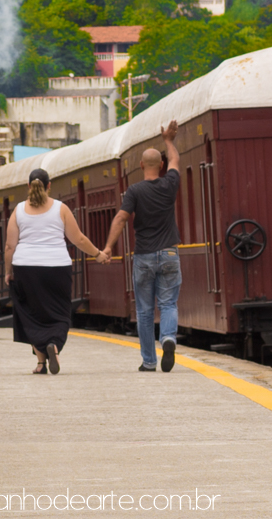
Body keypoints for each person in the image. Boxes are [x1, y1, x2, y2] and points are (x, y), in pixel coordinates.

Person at [5, 168, 110, 375]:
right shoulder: (61, 208)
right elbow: (78, 239)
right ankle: (53, 344)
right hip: (57, 268)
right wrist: (98, 254)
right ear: (49, 185)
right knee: (60, 313)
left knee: (32, 314)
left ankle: (41, 362)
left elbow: (10, 246)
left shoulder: (18, 210)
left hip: (25, 267)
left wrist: (8, 271)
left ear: (28, 186)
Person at [103, 120, 182, 373]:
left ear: (140, 166)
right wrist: (168, 140)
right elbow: (175, 161)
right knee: (168, 304)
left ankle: (149, 361)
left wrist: (107, 248)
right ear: (160, 166)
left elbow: (121, 219)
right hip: (169, 253)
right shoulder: (170, 184)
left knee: (145, 312)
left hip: (144, 256)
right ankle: (168, 338)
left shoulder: (134, 191)